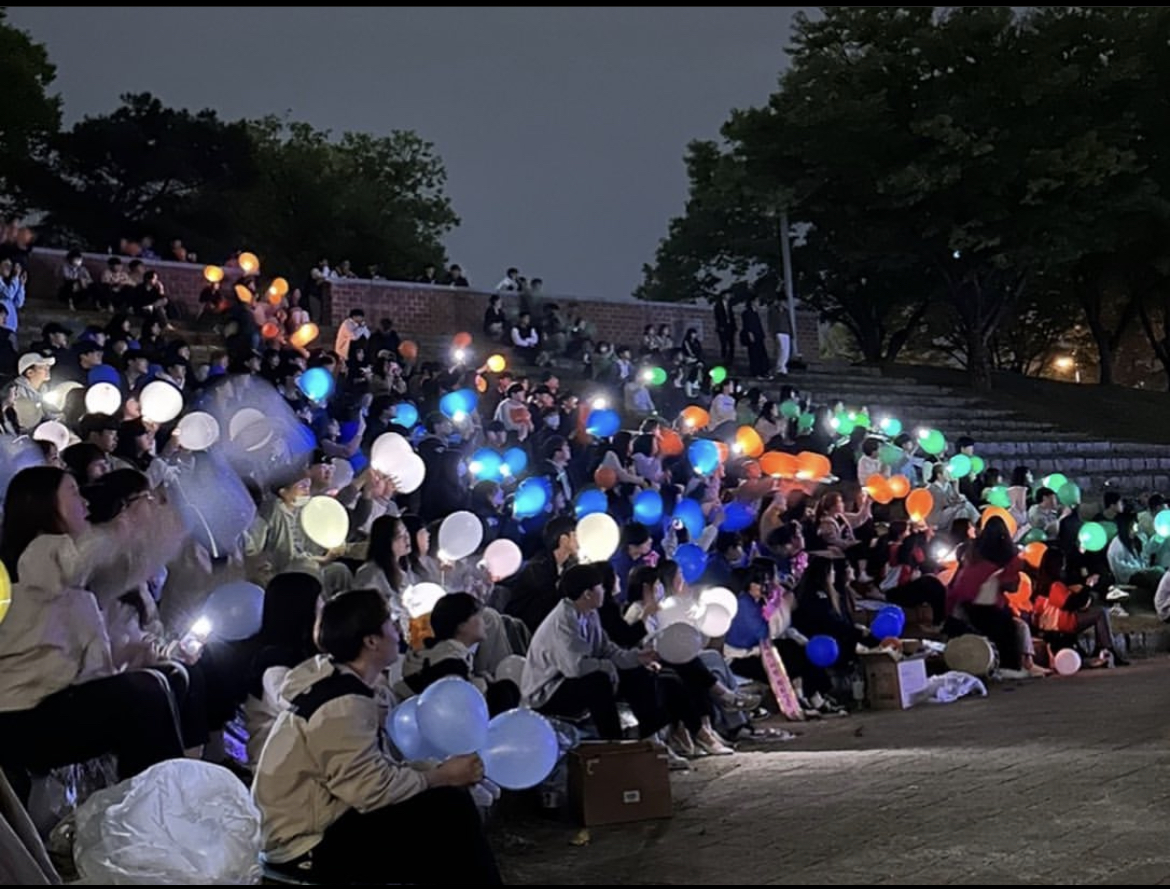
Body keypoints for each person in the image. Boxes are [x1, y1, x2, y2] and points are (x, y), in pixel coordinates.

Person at [252, 588, 501, 884]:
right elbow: (369, 790)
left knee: (445, 808)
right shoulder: (341, 704)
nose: (398, 631)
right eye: (390, 624)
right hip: (303, 843)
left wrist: (436, 770)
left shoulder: (341, 686)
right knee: (449, 810)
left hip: (322, 820)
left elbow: (368, 771)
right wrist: (441, 776)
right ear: (371, 641)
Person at [0, 467, 187, 792]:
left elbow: (115, 573)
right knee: (143, 693)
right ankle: (157, 803)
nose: (85, 501)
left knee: (167, 676)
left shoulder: (74, 574)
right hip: (20, 716)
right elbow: (79, 561)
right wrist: (119, 530)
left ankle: (160, 795)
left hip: (54, 700)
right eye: (73, 492)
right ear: (44, 504)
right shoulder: (40, 553)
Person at [522, 565, 654, 740]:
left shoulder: (590, 613)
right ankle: (613, 741)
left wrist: (637, 657)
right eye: (600, 587)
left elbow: (606, 649)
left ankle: (649, 733)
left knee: (635, 672)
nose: (604, 591)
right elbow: (575, 668)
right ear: (587, 594)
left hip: (567, 679)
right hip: (546, 691)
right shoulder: (564, 621)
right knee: (597, 681)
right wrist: (606, 666)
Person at [242, 572, 324, 768]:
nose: (325, 608)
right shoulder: (274, 664)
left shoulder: (306, 652)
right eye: (320, 602)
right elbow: (300, 709)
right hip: (280, 766)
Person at [399, 593, 520, 716]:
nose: (484, 623)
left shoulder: (442, 654)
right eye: (478, 616)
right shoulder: (449, 665)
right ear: (461, 625)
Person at [713, 293, 736, 367]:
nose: (729, 297)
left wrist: (734, 326)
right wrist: (720, 326)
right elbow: (718, 317)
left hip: (730, 327)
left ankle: (730, 359)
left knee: (731, 343)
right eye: (728, 295)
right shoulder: (718, 305)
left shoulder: (729, 305)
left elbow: (731, 316)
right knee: (724, 343)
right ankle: (724, 359)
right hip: (723, 327)